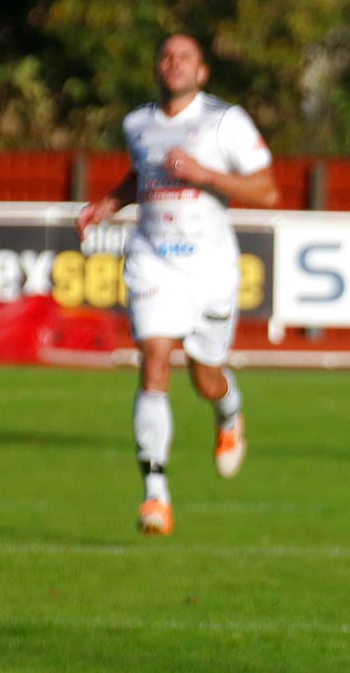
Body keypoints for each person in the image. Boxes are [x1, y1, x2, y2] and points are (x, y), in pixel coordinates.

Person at [76, 33, 278, 535]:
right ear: (157, 68)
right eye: (165, 55)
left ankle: (229, 413)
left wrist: (206, 173)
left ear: (202, 71)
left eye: (184, 56)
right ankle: (156, 496)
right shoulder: (138, 123)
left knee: (205, 376)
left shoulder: (224, 122)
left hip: (210, 268)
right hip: (153, 259)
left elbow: (269, 190)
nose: (174, 63)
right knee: (155, 357)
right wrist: (108, 203)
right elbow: (139, 176)